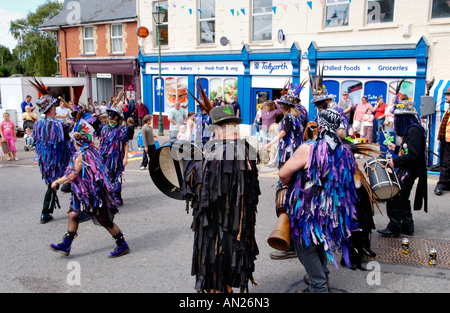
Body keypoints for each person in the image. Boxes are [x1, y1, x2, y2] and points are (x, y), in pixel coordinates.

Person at [182, 102, 260, 293]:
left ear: (216, 129)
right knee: (229, 266)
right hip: (238, 226)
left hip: (217, 227)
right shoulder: (247, 150)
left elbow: (201, 190)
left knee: (215, 272)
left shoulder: (216, 154)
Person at [279, 109, 358, 293]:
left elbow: (283, 174)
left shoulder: (309, 148)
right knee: (318, 239)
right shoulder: (345, 149)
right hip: (332, 209)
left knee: (304, 244)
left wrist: (291, 183)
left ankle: (319, 287)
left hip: (310, 207)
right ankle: (323, 280)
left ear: (320, 126)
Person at [49, 115, 130, 258]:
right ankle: (66, 244)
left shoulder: (81, 154)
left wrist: (56, 182)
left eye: (73, 140)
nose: (72, 142)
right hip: (83, 194)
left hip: (92, 194)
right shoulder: (90, 150)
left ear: (77, 142)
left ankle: (122, 244)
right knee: (73, 214)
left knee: (105, 221)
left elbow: (72, 175)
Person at [377, 101, 427, 237]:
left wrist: (395, 160)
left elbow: (413, 155)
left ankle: (395, 226)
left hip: (410, 170)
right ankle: (407, 226)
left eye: (397, 118)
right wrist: (397, 148)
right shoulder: (412, 129)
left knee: (396, 196)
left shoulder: (413, 130)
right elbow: (409, 150)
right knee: (403, 197)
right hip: (409, 168)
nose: (395, 121)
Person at [29, 77, 73, 224]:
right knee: (74, 179)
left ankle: (44, 213)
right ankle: (79, 210)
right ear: (52, 109)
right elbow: (71, 131)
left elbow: (35, 141)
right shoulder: (57, 124)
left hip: (46, 162)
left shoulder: (37, 124)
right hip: (60, 161)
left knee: (52, 185)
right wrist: (76, 119)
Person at [99, 102, 129, 206]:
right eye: (109, 115)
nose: (110, 117)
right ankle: (109, 197)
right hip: (105, 158)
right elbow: (101, 144)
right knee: (106, 177)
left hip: (116, 159)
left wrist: (125, 157)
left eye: (113, 115)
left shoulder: (121, 129)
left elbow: (126, 144)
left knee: (115, 178)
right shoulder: (104, 129)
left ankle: (117, 197)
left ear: (117, 117)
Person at [435, 87, 450, 195]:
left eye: (448, 95)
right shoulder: (449, 108)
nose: (446, 97)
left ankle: (442, 183)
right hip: (445, 140)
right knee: (445, 162)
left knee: (447, 163)